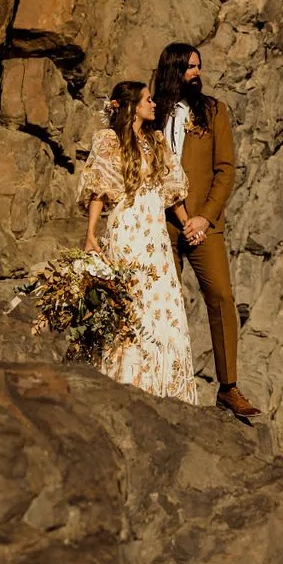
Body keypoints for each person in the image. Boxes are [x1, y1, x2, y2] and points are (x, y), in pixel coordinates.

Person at [153, 42, 261, 421]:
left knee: (220, 295)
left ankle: (228, 387)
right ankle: (159, 380)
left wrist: (204, 218)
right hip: (159, 221)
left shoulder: (214, 111)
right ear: (172, 70)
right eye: (189, 68)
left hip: (204, 224)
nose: (196, 73)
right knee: (161, 300)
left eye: (198, 66)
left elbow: (225, 169)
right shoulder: (152, 111)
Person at [79, 80, 197, 405]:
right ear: (131, 105)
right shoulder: (110, 140)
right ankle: (126, 386)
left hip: (155, 235)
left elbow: (173, 194)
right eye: (148, 99)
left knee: (163, 309)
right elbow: (99, 189)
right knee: (131, 307)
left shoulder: (157, 141)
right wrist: (90, 234)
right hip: (127, 230)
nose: (154, 104)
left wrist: (188, 225)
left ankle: (165, 389)